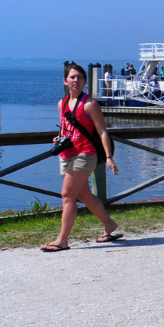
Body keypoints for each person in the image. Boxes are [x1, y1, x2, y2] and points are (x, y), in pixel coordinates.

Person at [42, 63, 122, 251]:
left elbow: (102, 132)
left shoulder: (89, 104)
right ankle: (109, 225)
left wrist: (109, 157)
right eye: (72, 77)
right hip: (67, 153)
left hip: (85, 153)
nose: (75, 80)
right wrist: (59, 138)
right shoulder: (61, 104)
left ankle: (62, 240)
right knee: (83, 194)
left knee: (67, 195)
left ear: (85, 81)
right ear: (65, 81)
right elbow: (65, 127)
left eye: (79, 77)